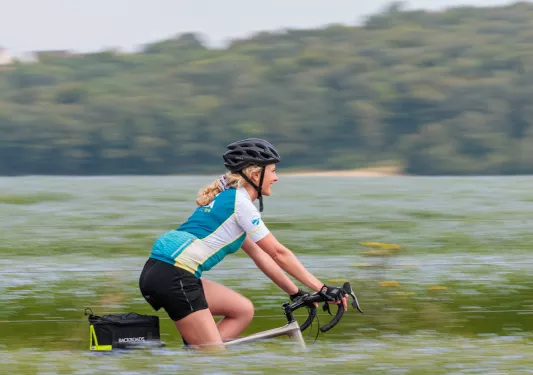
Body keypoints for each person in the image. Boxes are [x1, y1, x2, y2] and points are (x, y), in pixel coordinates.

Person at [138, 138, 348, 350]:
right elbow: (278, 253)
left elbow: (261, 256)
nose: (276, 178)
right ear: (256, 175)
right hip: (175, 274)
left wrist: (295, 292)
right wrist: (322, 288)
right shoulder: (240, 203)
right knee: (212, 356)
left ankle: (197, 356)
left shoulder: (229, 200)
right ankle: (205, 357)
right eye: (273, 171)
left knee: (242, 310)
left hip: (162, 270)